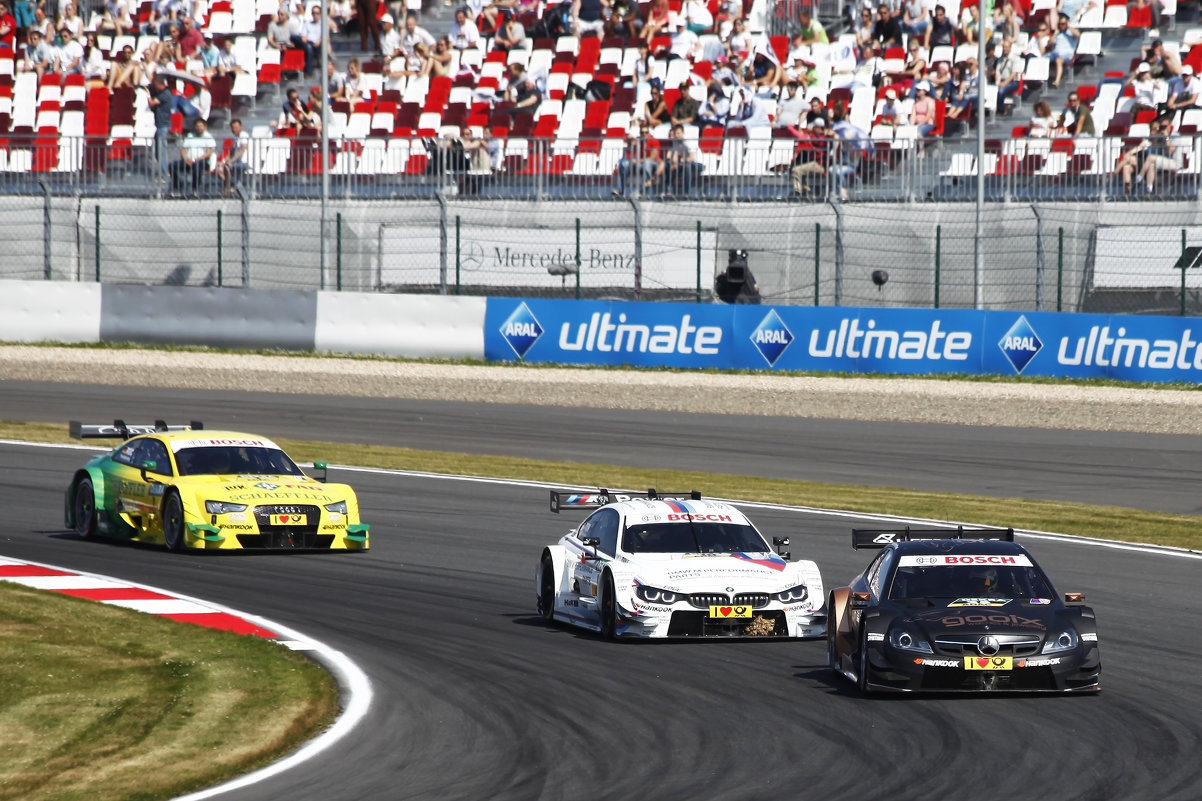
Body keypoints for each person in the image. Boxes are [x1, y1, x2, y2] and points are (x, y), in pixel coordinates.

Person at [171, 117, 215, 195]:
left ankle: (195, 189)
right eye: (197, 126)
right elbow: (184, 150)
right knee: (173, 166)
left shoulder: (208, 137)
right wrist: (186, 159)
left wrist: (196, 159)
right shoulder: (190, 136)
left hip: (202, 161)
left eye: (201, 126)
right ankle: (176, 188)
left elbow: (209, 153)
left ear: (205, 127)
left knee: (197, 166)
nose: (199, 128)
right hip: (188, 161)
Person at [657, 122, 703, 195]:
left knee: (688, 166)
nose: (677, 135)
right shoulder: (676, 142)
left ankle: (687, 193)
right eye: (676, 134)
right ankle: (668, 191)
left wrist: (680, 163)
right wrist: (674, 164)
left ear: (683, 133)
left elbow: (691, 158)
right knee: (668, 164)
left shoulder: (689, 141)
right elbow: (674, 155)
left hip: (697, 164)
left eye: (679, 133)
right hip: (684, 163)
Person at [148, 74, 174, 180]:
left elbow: (152, 103)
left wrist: (148, 94)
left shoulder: (165, 93)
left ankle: (163, 174)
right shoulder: (162, 93)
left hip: (163, 125)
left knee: (161, 151)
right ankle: (163, 172)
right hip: (159, 125)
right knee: (158, 151)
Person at [217, 117, 250, 194]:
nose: (234, 129)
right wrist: (222, 161)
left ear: (241, 127)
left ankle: (228, 188)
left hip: (244, 161)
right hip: (237, 161)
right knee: (220, 168)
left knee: (227, 166)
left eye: (236, 127)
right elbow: (231, 154)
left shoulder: (243, 135)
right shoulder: (236, 138)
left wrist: (231, 161)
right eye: (233, 128)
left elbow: (242, 149)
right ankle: (231, 187)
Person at [1049, 13, 1078, 89]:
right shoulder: (1057, 33)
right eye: (1060, 24)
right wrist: (1055, 34)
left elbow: (1077, 35)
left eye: (1063, 24)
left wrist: (1069, 26)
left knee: (1058, 60)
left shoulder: (1071, 32)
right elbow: (1051, 43)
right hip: (1055, 53)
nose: (1061, 26)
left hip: (1067, 55)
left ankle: (1057, 81)